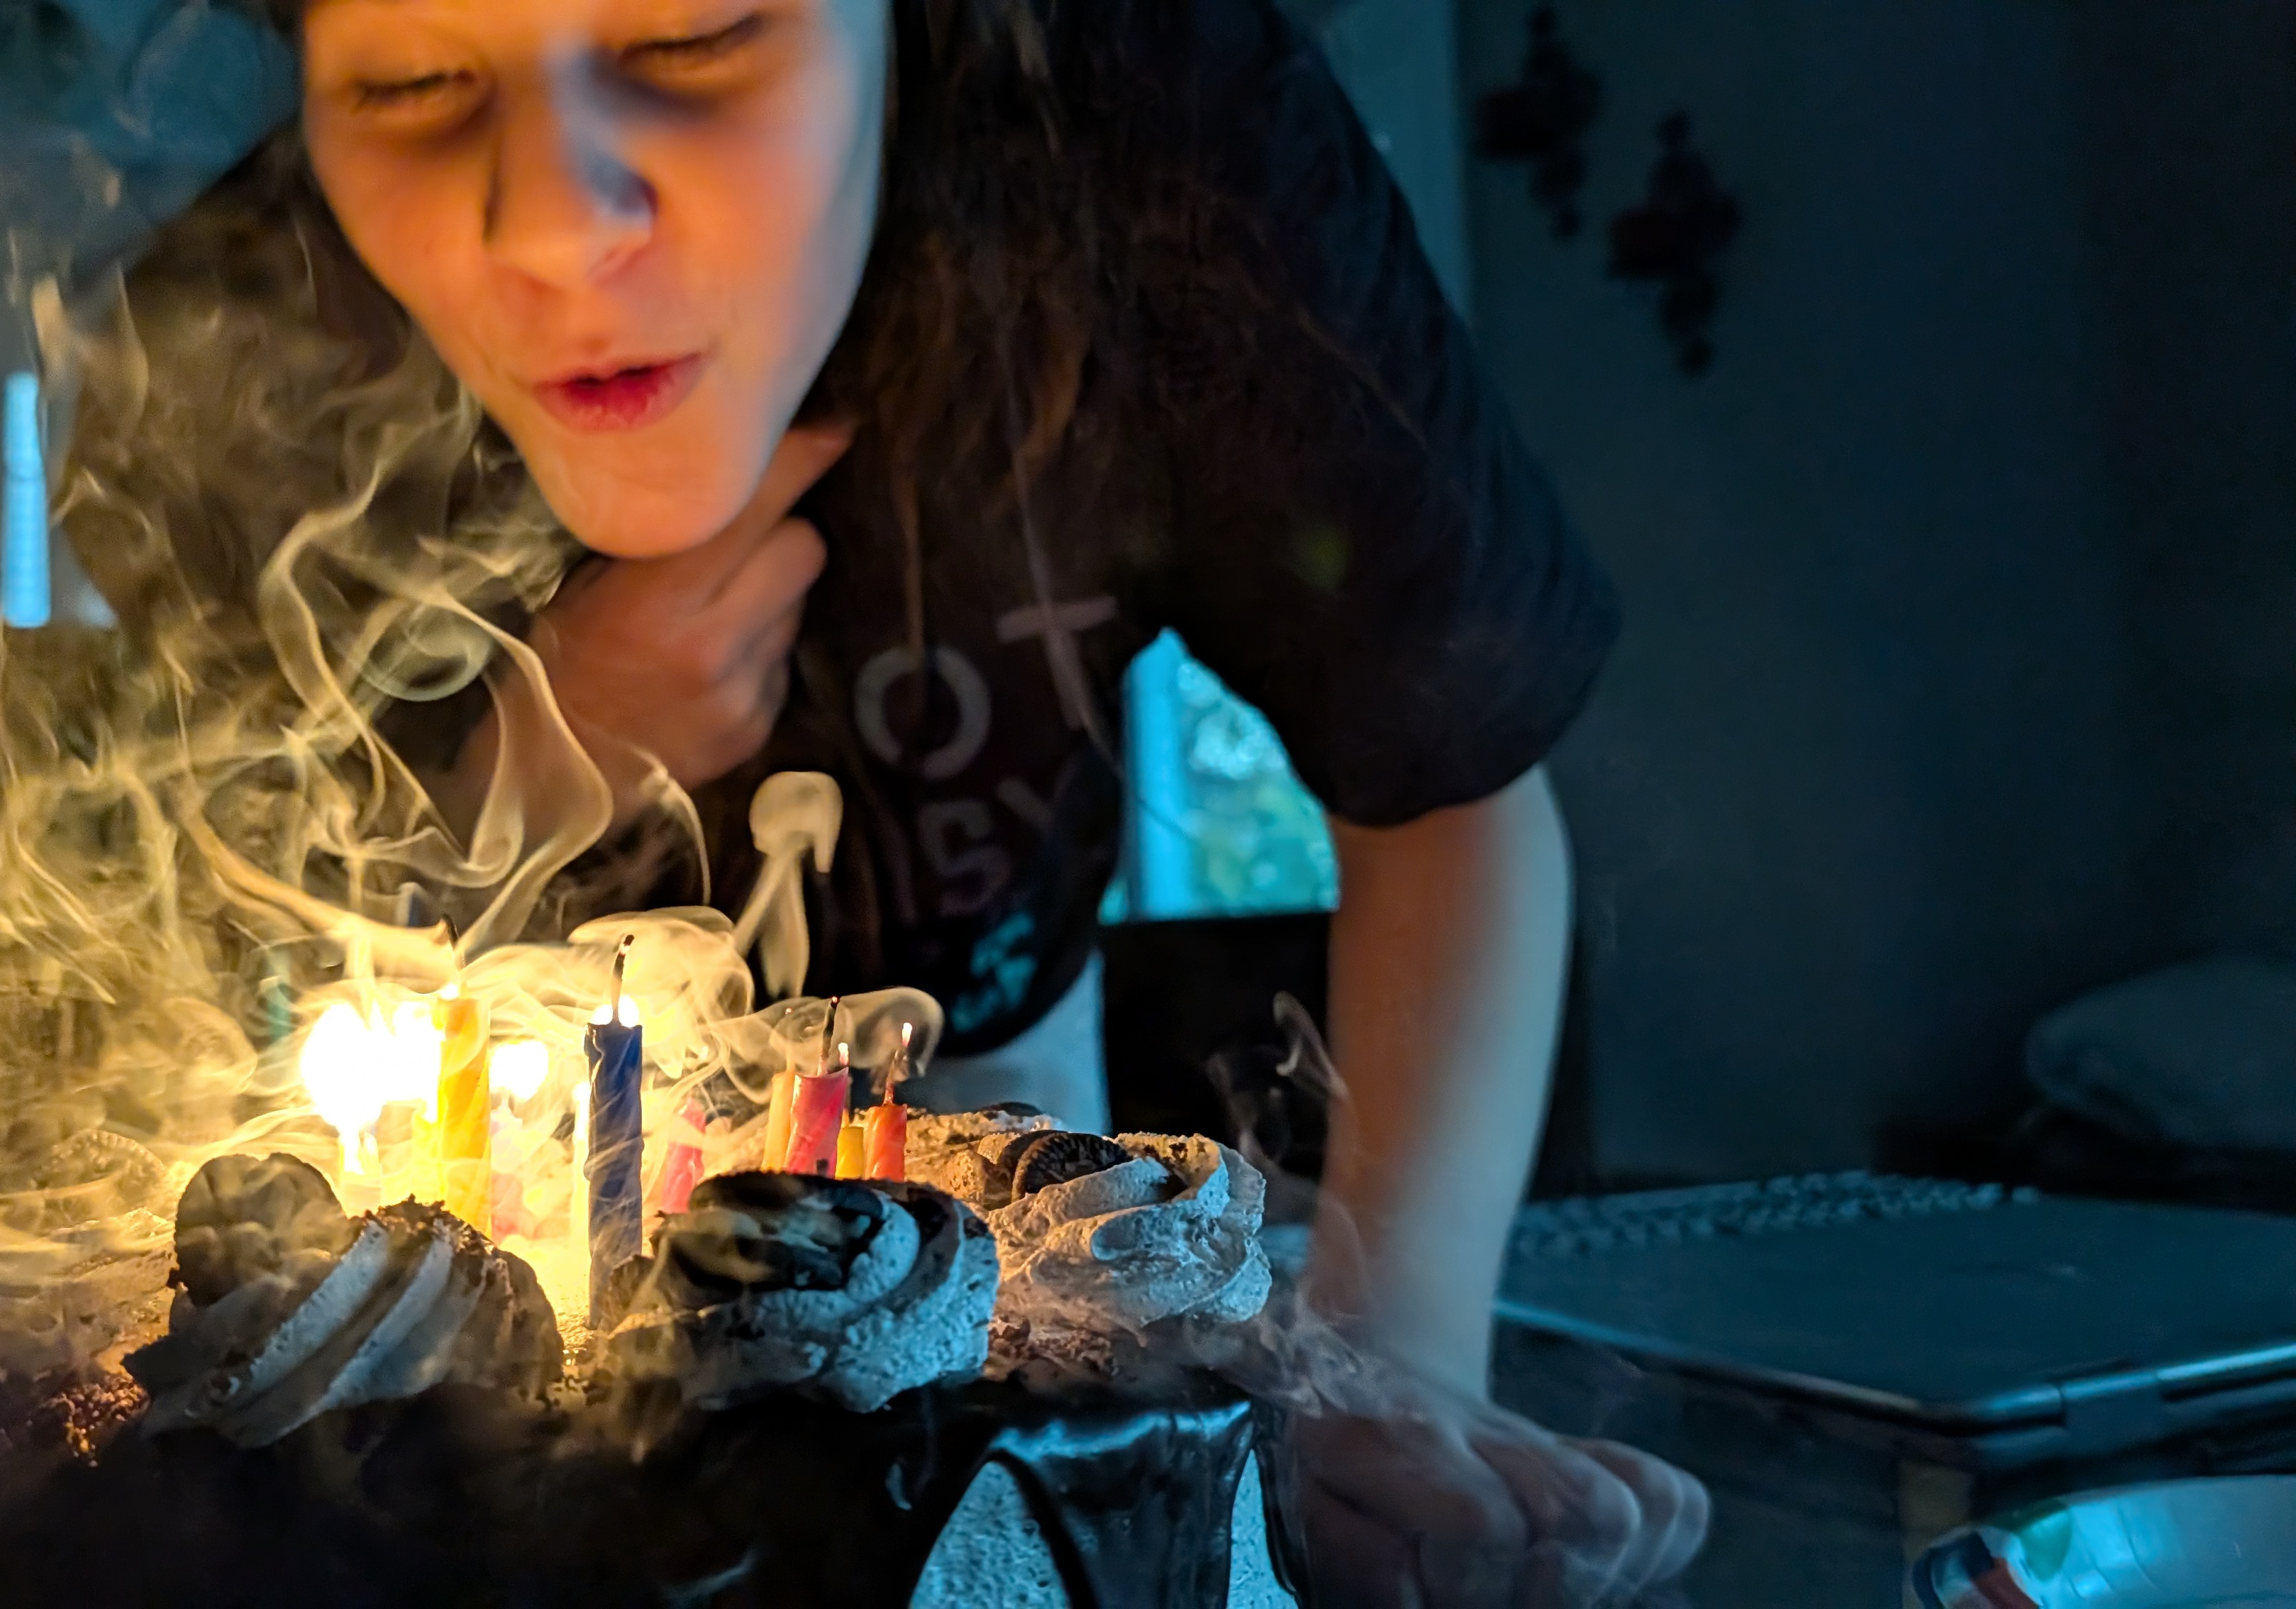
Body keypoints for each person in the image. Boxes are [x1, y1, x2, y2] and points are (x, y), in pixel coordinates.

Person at [84, 0, 1712, 1598]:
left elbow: (1449, 788)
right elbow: (252, 937)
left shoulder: (1160, 148)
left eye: (692, 40)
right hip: (500, 1184)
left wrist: (1393, 1370)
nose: (558, 224)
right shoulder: (225, 353)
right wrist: (539, 744)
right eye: (422, 80)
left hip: (992, 1083)